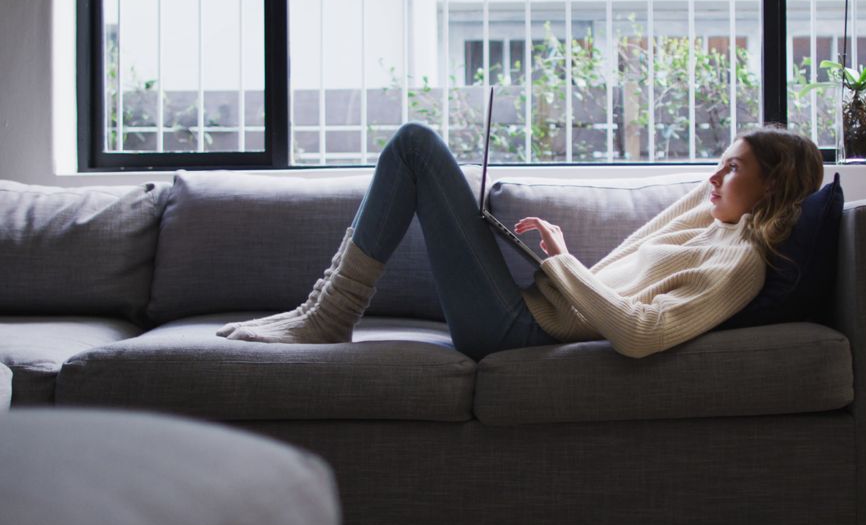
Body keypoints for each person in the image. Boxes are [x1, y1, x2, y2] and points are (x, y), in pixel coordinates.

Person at [217, 123, 824, 360]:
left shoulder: (739, 263)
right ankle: (318, 309)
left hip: (519, 330)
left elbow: (644, 333)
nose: (713, 178)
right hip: (528, 305)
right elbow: (631, 260)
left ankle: (329, 315)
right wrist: (560, 261)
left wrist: (561, 262)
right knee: (416, 149)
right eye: (717, 165)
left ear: (773, 185)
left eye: (733, 168)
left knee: (414, 147)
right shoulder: (716, 214)